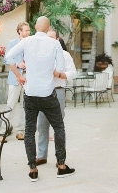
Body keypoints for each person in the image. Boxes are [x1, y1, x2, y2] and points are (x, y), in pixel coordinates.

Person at [6, 16, 75, 182]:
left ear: (35, 27)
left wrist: (18, 77)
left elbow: (8, 58)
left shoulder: (26, 41)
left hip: (30, 93)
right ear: (48, 27)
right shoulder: (54, 43)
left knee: (29, 131)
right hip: (47, 93)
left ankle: (33, 169)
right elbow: (59, 68)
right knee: (58, 127)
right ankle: (61, 166)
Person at [35, 29, 76, 166]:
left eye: (52, 38)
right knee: (41, 125)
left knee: (58, 126)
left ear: (57, 40)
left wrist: (58, 74)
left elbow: (72, 73)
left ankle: (60, 159)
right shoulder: (40, 55)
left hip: (58, 92)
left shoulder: (65, 55)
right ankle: (41, 156)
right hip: (42, 92)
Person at [0, 22, 29, 143]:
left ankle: (20, 131)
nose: (28, 32)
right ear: (19, 31)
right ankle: (2, 132)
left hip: (27, 77)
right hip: (15, 77)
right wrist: (18, 64)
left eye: (29, 30)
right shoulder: (12, 43)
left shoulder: (30, 43)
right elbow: (7, 59)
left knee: (25, 105)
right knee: (10, 105)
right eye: (26, 30)